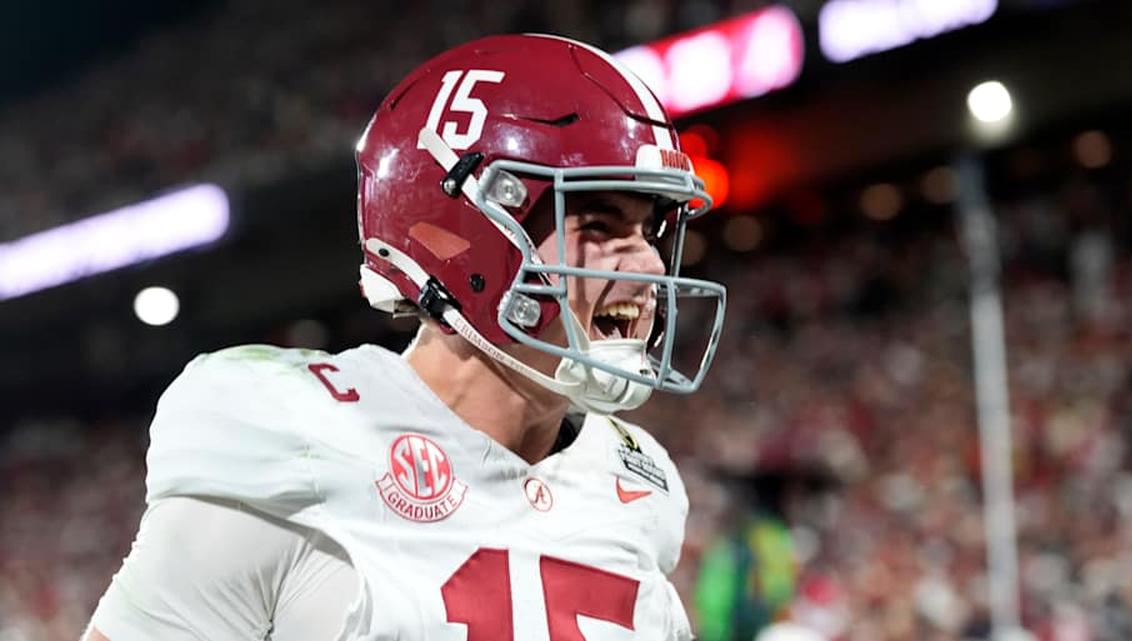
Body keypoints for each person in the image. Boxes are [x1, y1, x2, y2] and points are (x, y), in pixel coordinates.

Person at [83, 33, 726, 641]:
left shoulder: (634, 484)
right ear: (472, 234)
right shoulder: (299, 440)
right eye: (598, 222)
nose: (644, 265)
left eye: (647, 231)